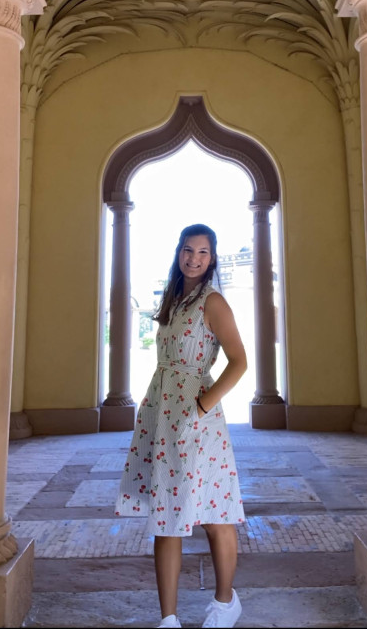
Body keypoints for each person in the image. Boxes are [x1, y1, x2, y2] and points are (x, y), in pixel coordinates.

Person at [115, 223, 247, 628]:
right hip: (162, 413)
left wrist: (204, 405)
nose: (194, 258)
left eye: (203, 252)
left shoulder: (214, 302)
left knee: (214, 513)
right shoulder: (174, 298)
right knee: (166, 515)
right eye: (188, 250)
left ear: (212, 259)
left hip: (197, 418)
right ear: (179, 253)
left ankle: (226, 603)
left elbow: (240, 361)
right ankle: (168, 619)